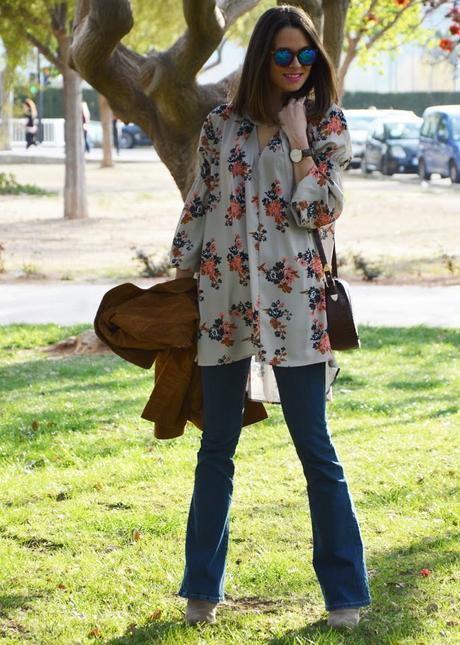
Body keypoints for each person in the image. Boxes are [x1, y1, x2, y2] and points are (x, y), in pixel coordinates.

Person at [169, 5, 371, 629]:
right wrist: (177, 281)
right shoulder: (219, 129)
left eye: (305, 56)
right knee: (216, 450)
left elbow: (321, 211)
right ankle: (202, 588)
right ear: (262, 58)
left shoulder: (327, 124)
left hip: (297, 309)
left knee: (316, 448)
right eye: (282, 56)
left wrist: (301, 143)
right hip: (223, 304)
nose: (294, 67)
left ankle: (345, 595)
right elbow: (199, 209)